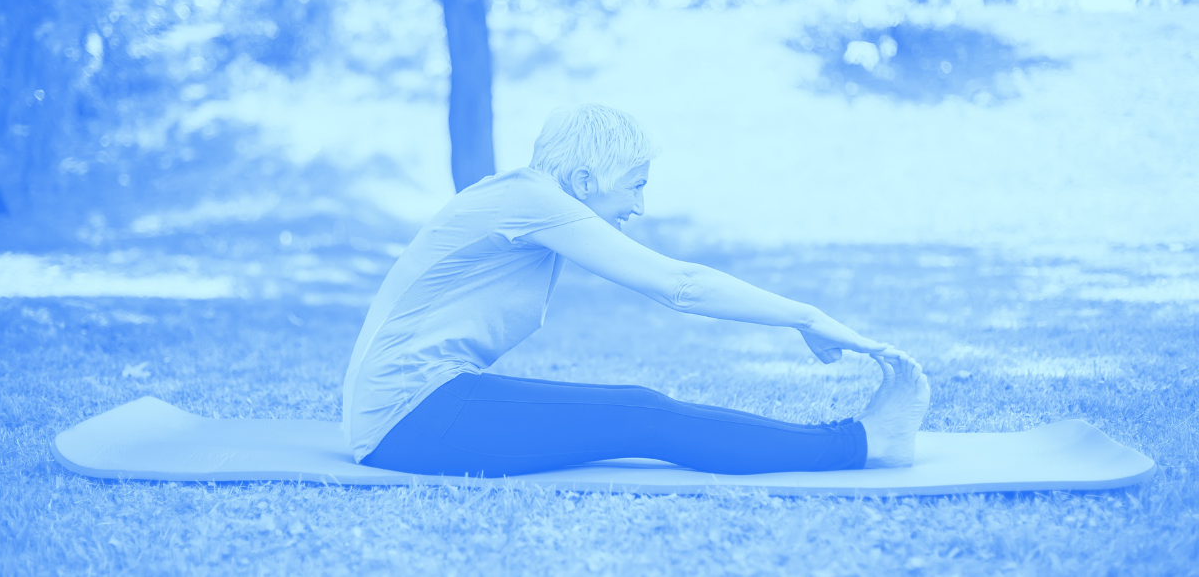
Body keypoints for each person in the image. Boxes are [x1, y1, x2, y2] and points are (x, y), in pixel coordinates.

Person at [342, 104, 930, 477]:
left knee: (635, 410)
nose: (640, 207)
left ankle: (860, 440)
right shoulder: (531, 200)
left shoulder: (519, 201)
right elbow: (681, 285)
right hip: (410, 416)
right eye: (634, 187)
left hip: (408, 410)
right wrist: (806, 317)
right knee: (642, 413)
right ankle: (862, 444)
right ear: (582, 181)